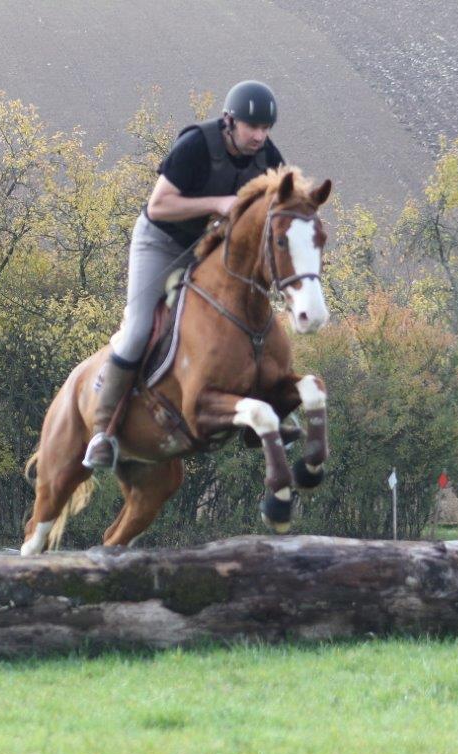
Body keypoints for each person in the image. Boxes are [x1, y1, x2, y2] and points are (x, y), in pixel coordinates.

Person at [82, 80, 286, 469]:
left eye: (266, 128)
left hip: (209, 251)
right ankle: (102, 431)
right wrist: (218, 204)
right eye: (252, 127)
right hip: (161, 243)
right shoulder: (197, 145)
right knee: (140, 329)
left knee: (247, 320)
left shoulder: (267, 157)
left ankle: (263, 411)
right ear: (229, 121)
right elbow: (158, 206)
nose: (260, 136)